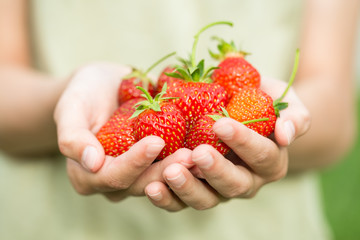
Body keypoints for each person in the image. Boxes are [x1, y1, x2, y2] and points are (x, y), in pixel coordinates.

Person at [0, 0, 358, 239]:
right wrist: (69, 109)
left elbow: (334, 119)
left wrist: (274, 128)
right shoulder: (167, 102)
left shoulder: (225, 101)